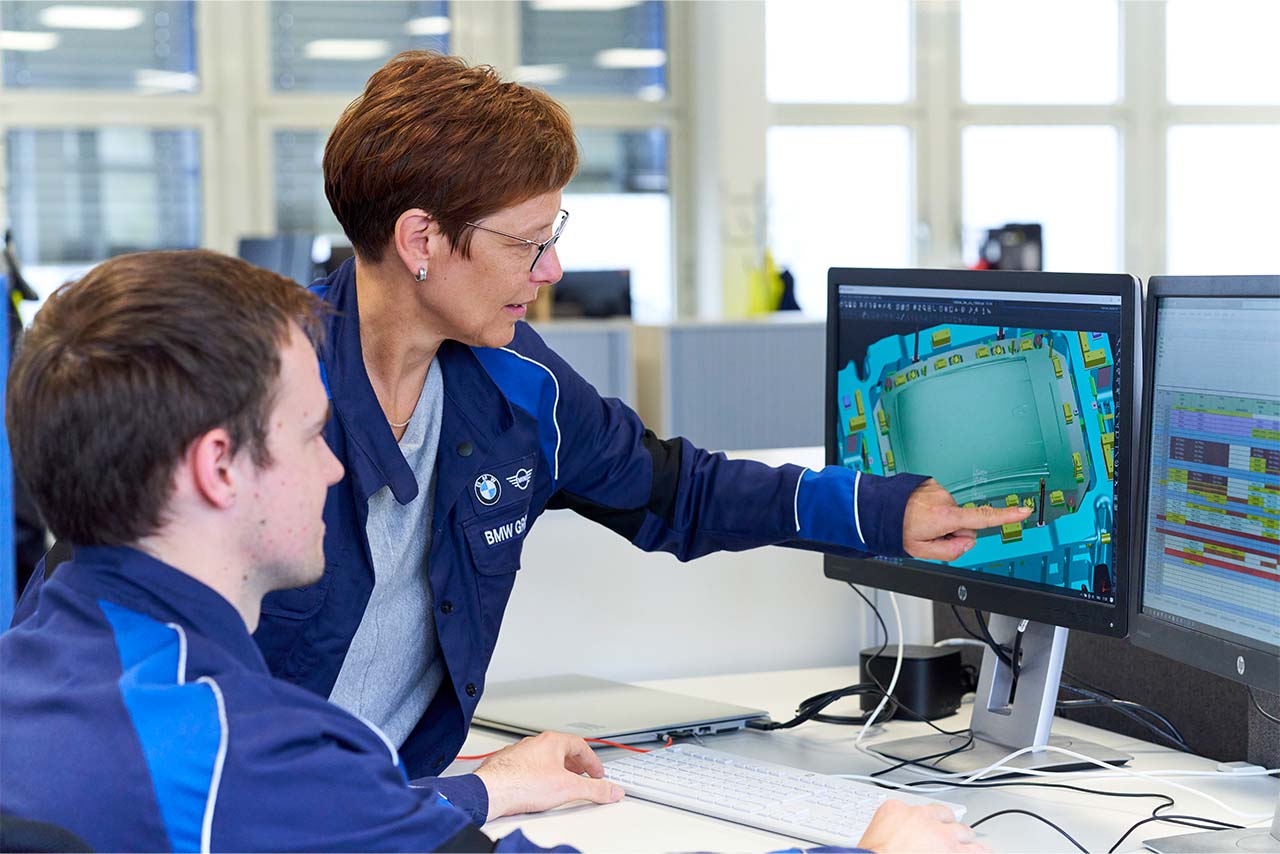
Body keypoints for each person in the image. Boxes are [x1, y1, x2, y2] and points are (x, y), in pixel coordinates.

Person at [13, 51, 1030, 824]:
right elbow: (119, 631)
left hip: (367, 806)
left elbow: (672, 490)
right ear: (421, 240)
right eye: (526, 242)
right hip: (279, 810)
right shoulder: (257, 396)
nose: (548, 270)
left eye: (555, 238)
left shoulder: (514, 383)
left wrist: (880, 508)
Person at [0, 250, 987, 854]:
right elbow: (289, 795)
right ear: (218, 468)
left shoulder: (45, 674)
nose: (337, 468)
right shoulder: (258, 752)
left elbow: (298, 811)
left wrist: (477, 788)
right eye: (311, 435)